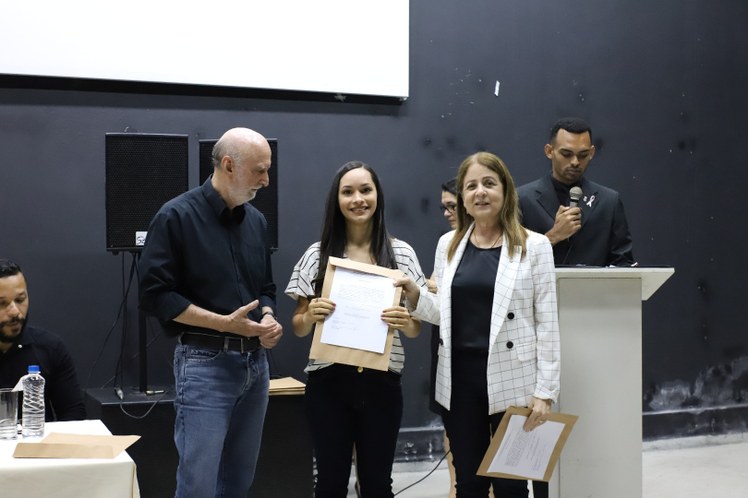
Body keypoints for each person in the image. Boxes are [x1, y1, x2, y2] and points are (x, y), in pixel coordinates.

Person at [397, 152, 560, 497]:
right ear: (463, 198)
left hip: (514, 379)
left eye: (489, 183)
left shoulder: (536, 246)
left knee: (511, 485)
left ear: (506, 191)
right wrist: (414, 294)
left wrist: (545, 393)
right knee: (469, 483)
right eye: (471, 186)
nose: (480, 192)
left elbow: (547, 323)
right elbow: (442, 314)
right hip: (459, 380)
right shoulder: (448, 244)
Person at [138, 127, 283, 498]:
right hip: (205, 366)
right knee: (198, 485)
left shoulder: (257, 222)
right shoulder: (175, 217)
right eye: (260, 171)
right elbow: (155, 295)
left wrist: (267, 317)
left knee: (239, 481)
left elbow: (266, 288)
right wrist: (224, 324)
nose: (266, 181)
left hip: (256, 366)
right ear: (229, 165)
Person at [285, 160, 427, 498]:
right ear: (336, 200)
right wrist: (310, 315)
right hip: (328, 383)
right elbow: (298, 326)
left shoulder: (402, 254)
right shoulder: (317, 255)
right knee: (330, 484)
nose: (358, 199)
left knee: (377, 485)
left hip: (382, 383)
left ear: (378, 195)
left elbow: (416, 329)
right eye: (347, 192)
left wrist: (405, 321)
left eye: (366, 190)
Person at [517, 117, 635, 266]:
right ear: (549, 151)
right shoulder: (522, 199)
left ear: (592, 152)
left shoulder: (609, 202)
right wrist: (553, 236)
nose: (575, 162)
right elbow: (509, 263)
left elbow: (623, 263)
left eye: (583, 155)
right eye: (566, 154)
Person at [0, 258, 86, 421]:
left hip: (36, 436)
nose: (15, 311)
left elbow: (73, 414)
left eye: (20, 300)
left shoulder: (50, 348)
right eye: (1, 303)